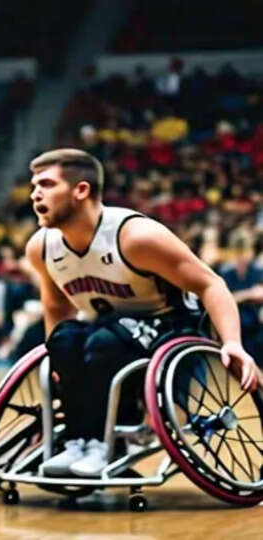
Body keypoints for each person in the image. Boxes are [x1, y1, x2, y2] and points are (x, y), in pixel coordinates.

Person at [26, 148, 258, 477]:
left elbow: (211, 284)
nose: (35, 194)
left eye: (46, 184)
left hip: (171, 327)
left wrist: (232, 343)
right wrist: (62, 364)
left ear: (81, 190)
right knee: (63, 339)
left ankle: (110, 441)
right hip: (108, 326)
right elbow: (56, 307)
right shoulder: (41, 247)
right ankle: (81, 441)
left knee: (106, 341)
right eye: (33, 186)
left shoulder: (135, 237)